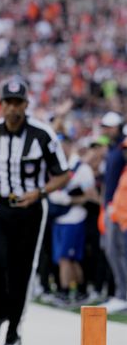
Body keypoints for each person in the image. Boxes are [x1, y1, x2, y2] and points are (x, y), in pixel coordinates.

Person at [0, 76, 70, 345]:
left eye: (18, 102)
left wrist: (41, 192)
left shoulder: (42, 134)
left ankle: (13, 330)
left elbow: (63, 173)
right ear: (0, 105)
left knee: (21, 271)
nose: (13, 108)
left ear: (26, 104)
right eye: (8, 102)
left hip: (30, 210)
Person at [47, 134, 96, 305]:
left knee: (66, 258)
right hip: (60, 218)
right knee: (66, 259)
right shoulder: (57, 166)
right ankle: (78, 291)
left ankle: (67, 292)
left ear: (69, 145)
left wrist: (69, 199)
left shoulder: (81, 168)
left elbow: (89, 196)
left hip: (74, 218)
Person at [99, 112, 127, 312]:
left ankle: (123, 294)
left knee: (119, 252)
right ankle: (121, 293)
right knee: (112, 251)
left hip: (120, 213)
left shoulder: (118, 150)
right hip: (113, 208)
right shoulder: (113, 149)